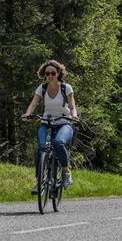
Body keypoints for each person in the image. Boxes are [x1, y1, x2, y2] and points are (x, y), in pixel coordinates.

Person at [22, 60, 79, 193]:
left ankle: (66, 171)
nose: (50, 75)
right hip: (46, 122)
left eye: (53, 73)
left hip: (64, 122)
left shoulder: (66, 88)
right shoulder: (42, 88)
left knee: (59, 143)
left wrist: (74, 115)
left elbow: (72, 106)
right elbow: (34, 103)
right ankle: (39, 182)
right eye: (47, 73)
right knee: (41, 148)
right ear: (44, 74)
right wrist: (27, 114)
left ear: (59, 73)